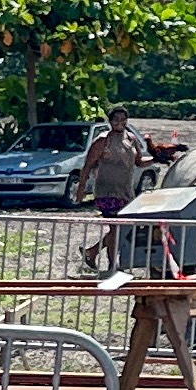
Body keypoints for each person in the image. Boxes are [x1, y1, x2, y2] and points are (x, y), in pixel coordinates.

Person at [75, 106, 153, 270]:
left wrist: (158, 158)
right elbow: (87, 166)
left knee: (122, 228)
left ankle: (92, 251)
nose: (119, 122)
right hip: (107, 192)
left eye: (123, 119)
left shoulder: (131, 139)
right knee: (116, 227)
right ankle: (112, 266)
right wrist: (81, 190)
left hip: (126, 191)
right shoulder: (103, 141)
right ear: (110, 121)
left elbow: (139, 162)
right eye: (116, 119)